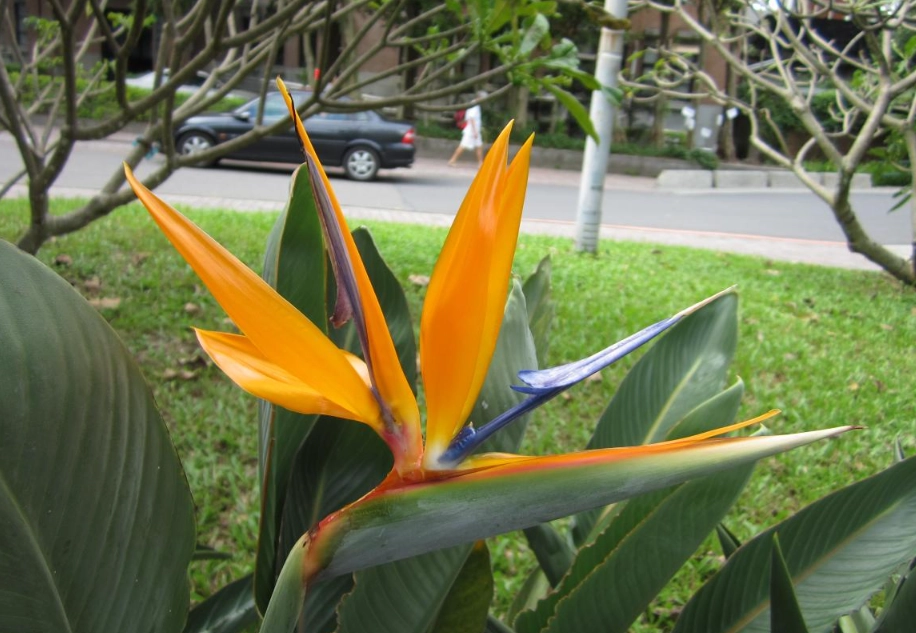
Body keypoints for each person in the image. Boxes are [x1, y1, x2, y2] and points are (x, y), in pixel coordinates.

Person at [448, 91, 486, 166]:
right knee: (463, 146)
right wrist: (475, 131)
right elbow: (471, 119)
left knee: (479, 146)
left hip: (475, 130)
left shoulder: (476, 105)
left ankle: (480, 163)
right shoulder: (473, 105)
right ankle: (452, 160)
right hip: (471, 131)